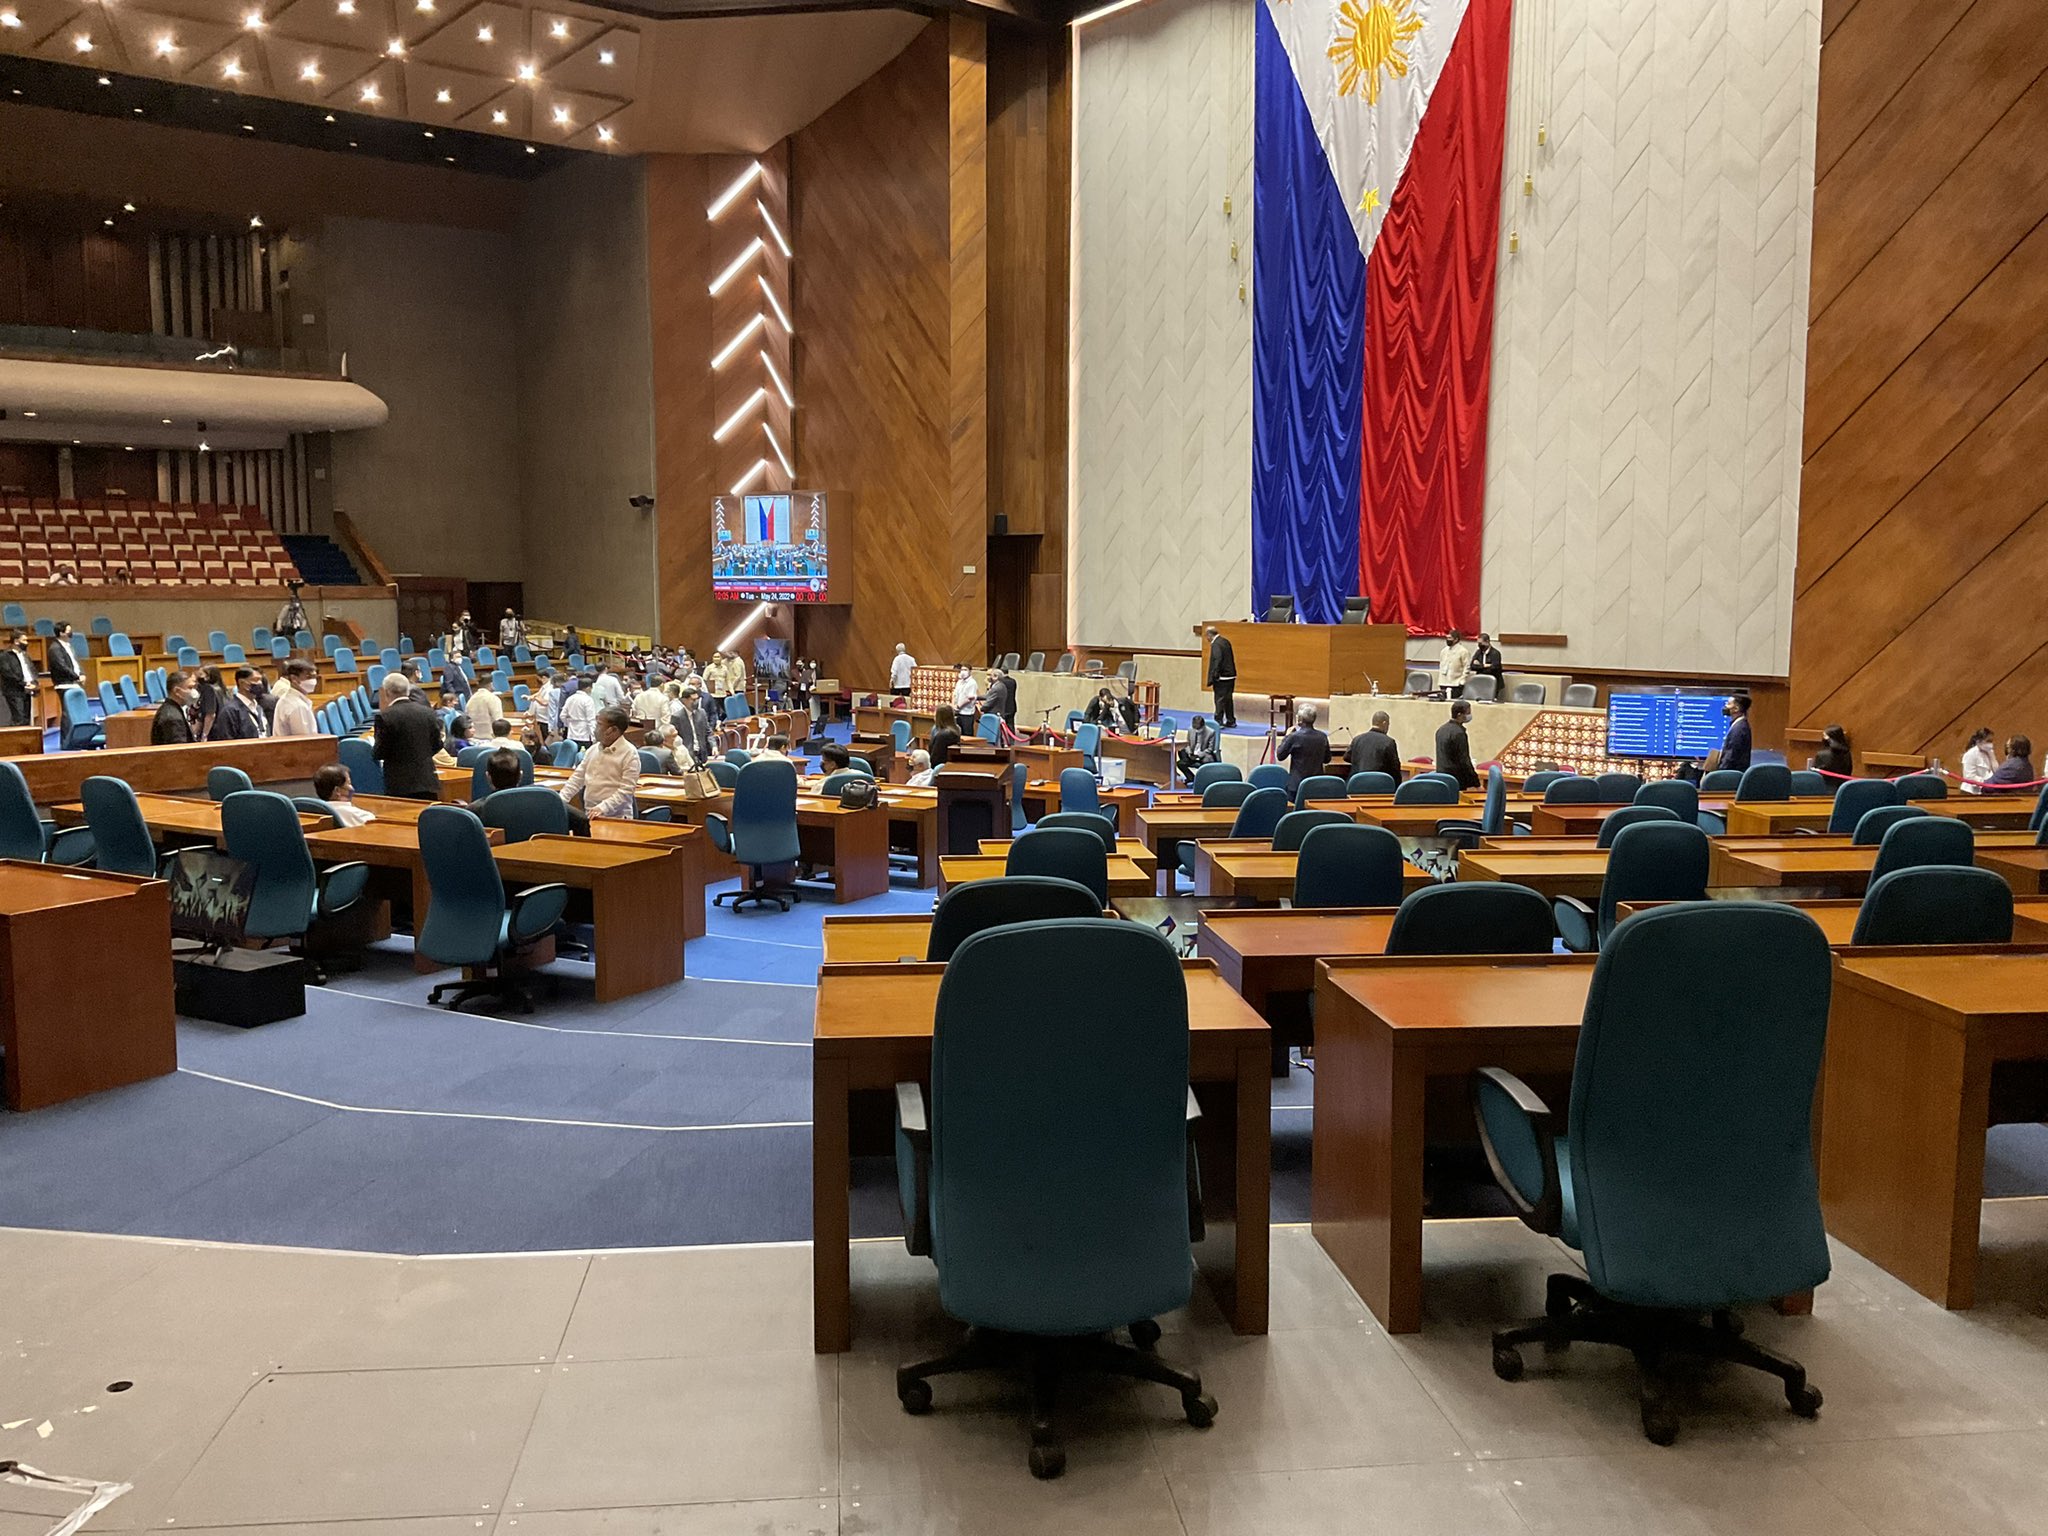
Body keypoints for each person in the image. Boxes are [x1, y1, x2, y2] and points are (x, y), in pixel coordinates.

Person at [373, 674, 445, 800]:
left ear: (387, 692)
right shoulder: (427, 712)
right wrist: (421, 755)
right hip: (427, 780)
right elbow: (437, 744)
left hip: (399, 785)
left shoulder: (385, 717)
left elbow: (380, 752)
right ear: (408, 690)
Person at [559, 706, 639, 819]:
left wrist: (603, 808)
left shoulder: (630, 753)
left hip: (617, 817)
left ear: (613, 730)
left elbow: (626, 791)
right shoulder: (593, 749)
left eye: (599, 724)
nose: (595, 728)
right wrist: (561, 799)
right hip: (590, 813)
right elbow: (577, 778)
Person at [1275, 701, 1331, 795]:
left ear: (1300, 720)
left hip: (1296, 786)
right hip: (1316, 784)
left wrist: (1286, 736)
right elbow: (1327, 759)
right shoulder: (1322, 737)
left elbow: (1280, 755)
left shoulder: (1294, 737)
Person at [211, 666, 271, 740]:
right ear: (242, 683)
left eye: (260, 680)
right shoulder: (229, 711)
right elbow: (227, 743)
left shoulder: (258, 708)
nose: (260, 683)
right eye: (255, 680)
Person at [1434, 699, 1479, 791]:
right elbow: (1464, 760)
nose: (1469, 716)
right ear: (1459, 715)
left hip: (1441, 777)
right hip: (1456, 780)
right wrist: (1476, 783)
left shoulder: (1441, 730)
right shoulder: (1459, 733)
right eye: (1468, 713)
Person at [1345, 710, 1404, 781]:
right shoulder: (1389, 742)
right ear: (1384, 723)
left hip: (1356, 783)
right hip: (1379, 784)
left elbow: (1346, 757)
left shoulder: (1357, 739)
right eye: (1388, 725)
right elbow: (1395, 768)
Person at [313, 763, 376, 828]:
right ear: (337, 791)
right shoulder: (362, 816)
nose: (352, 788)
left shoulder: (313, 814)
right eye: (349, 783)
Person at [1703, 692, 1753, 775]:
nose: (1725, 706)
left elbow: (1731, 755)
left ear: (1736, 709)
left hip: (1731, 775)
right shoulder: (1739, 724)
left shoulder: (1739, 728)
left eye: (1729, 704)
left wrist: (1720, 774)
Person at [272, 659, 322, 736]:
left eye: (314, 677)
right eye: (308, 677)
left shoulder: (289, 699)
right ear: (294, 679)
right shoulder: (297, 706)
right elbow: (303, 741)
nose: (313, 681)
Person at [151, 669, 201, 744]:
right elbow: (178, 752)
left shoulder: (172, 709)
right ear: (177, 691)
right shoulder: (172, 718)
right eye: (190, 688)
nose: (194, 692)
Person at [670, 684, 715, 765]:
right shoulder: (677, 717)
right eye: (693, 700)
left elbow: (708, 732)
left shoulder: (702, 713)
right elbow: (674, 738)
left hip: (702, 753)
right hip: (687, 755)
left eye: (697, 699)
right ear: (684, 700)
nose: (696, 702)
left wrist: (714, 746)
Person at [0, 631, 36, 727]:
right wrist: (24, 684)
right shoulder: (5, 656)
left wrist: (34, 683)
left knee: (26, 720)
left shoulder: (25, 655)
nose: (26, 642)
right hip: (14, 692)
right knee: (18, 720)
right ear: (16, 641)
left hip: (27, 691)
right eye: (24, 640)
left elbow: (32, 670)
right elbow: (8, 674)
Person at [1204, 626, 1237, 728]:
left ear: (1209, 635)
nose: (1206, 639)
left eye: (1206, 636)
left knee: (1219, 699)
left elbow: (1217, 659)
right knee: (1228, 699)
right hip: (1231, 675)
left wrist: (1215, 675)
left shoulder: (1216, 644)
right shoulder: (1225, 641)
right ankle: (1231, 720)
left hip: (1222, 677)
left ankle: (1218, 721)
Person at [1176, 714, 1221, 782]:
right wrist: (1190, 753)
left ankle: (1205, 780)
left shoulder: (1211, 732)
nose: (1197, 730)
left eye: (1198, 729)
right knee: (1180, 763)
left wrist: (1198, 755)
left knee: (1208, 759)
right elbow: (1187, 744)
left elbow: (1210, 749)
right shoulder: (1191, 729)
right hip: (1192, 754)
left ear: (1203, 726)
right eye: (1195, 728)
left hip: (1203, 755)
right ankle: (1191, 778)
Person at [46, 622, 83, 694]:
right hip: (64, 684)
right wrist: (77, 677)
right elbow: (62, 666)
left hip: (74, 683)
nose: (71, 633)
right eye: (68, 631)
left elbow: (75, 662)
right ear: (61, 633)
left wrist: (82, 674)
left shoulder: (69, 646)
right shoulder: (55, 648)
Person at [1436, 629, 1475, 697]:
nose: (1448, 640)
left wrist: (1462, 680)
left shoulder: (1463, 651)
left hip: (1456, 682)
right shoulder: (1443, 651)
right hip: (1443, 682)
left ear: (1456, 639)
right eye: (1447, 638)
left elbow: (1467, 667)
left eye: (1450, 638)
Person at [560, 677, 597, 746]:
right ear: (588, 688)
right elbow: (591, 720)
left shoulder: (570, 698)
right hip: (584, 735)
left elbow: (562, 716)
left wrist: (569, 723)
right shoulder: (588, 700)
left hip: (571, 734)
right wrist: (594, 737)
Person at [1961, 726, 1998, 794]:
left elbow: (1996, 771)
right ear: (1979, 742)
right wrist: (1985, 782)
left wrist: (1992, 756)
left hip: (1985, 790)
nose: (1990, 744)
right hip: (1970, 792)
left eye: (1991, 741)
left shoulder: (1990, 752)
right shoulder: (1970, 754)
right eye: (1988, 741)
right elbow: (1969, 776)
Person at [982, 667, 1017, 734]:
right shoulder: (1013, 681)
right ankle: (1011, 742)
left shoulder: (999, 684)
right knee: (1010, 726)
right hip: (1012, 706)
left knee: (999, 728)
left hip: (1002, 707)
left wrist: (989, 685)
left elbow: (990, 695)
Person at [927, 703, 963, 769]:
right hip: (949, 767)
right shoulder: (957, 729)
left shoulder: (943, 735)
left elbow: (935, 758)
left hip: (938, 768)